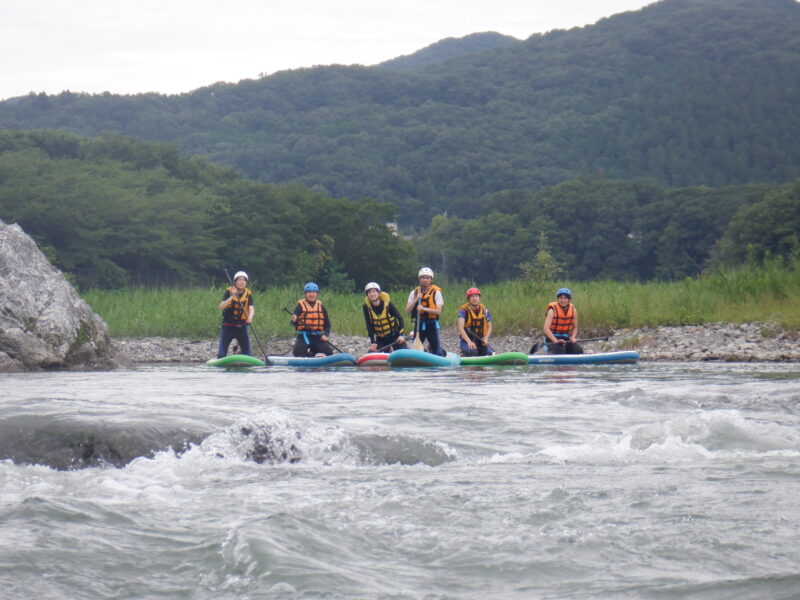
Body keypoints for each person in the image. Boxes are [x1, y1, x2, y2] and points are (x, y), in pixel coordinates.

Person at [405, 267, 446, 356]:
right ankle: (423, 351)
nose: (425, 280)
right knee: (415, 352)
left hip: (431, 324)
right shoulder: (414, 293)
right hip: (419, 324)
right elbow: (407, 310)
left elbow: (438, 311)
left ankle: (434, 350)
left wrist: (424, 309)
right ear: (419, 279)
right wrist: (416, 299)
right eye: (423, 278)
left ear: (431, 280)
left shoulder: (436, 293)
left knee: (437, 352)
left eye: (427, 278)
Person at [217, 270, 254, 358]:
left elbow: (251, 308)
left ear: (246, 282)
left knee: (248, 353)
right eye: (239, 280)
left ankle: (238, 353)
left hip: (242, 327)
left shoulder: (248, 294)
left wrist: (250, 317)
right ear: (235, 282)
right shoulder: (229, 292)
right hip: (228, 327)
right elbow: (221, 306)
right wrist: (232, 297)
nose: (242, 282)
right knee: (221, 354)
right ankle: (227, 357)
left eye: (244, 280)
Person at [291, 282, 334, 357]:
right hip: (304, 336)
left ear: (316, 294)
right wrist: (294, 320)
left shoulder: (321, 306)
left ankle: (313, 352)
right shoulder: (300, 306)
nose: (311, 294)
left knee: (329, 353)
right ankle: (310, 355)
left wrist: (325, 335)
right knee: (297, 353)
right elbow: (293, 323)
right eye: (309, 292)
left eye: (314, 292)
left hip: (317, 336)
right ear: (305, 294)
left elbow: (327, 325)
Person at [363, 282, 407, 353]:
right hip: (381, 338)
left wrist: (401, 335)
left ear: (379, 293)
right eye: (369, 292)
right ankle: (387, 350)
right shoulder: (366, 308)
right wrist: (373, 342)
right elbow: (369, 325)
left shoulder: (388, 304)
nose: (372, 294)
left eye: (374, 291)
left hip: (395, 336)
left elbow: (400, 318)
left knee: (404, 353)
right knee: (371, 353)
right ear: (367, 295)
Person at [543, 287, 583, 354]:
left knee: (578, 350)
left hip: (566, 338)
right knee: (560, 349)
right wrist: (556, 341)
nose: (563, 300)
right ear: (558, 299)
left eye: (565, 298)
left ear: (569, 299)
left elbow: (575, 327)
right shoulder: (552, 310)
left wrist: (573, 337)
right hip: (552, 339)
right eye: (561, 298)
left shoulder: (573, 311)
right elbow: (546, 329)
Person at [457, 287, 494, 356]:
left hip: (480, 339)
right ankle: (464, 353)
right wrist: (469, 342)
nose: (474, 298)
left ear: (479, 298)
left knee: (489, 353)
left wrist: (485, 338)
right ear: (468, 299)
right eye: (472, 296)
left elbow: (490, 326)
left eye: (476, 296)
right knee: (472, 352)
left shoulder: (485, 310)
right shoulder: (463, 311)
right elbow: (460, 328)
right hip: (467, 339)